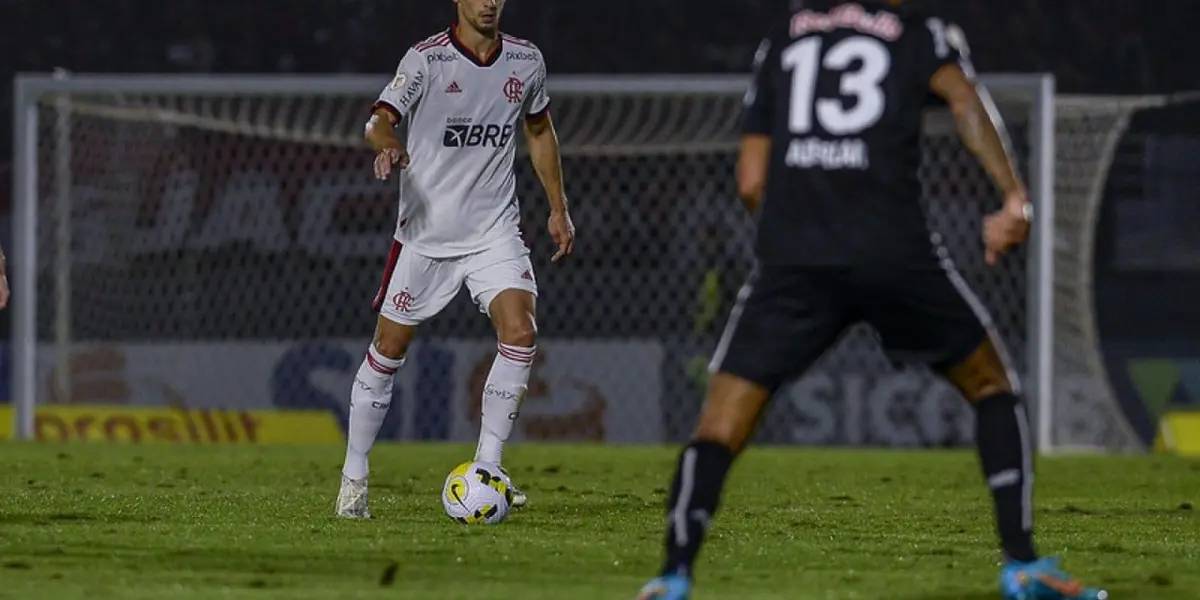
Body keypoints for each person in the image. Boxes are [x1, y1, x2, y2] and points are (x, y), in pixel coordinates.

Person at [637, 1, 1105, 599]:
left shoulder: (783, 38)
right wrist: (1013, 195)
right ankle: (1022, 565)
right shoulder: (918, 35)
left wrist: (798, 240)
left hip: (795, 260)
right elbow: (965, 102)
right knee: (992, 386)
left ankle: (673, 576)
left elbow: (751, 178)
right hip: (893, 252)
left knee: (721, 424)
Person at [336, 0, 575, 519]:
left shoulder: (526, 61)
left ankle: (489, 467)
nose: (489, 2)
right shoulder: (426, 60)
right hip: (426, 237)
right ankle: (354, 475)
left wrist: (558, 208)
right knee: (387, 350)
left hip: (494, 232)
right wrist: (390, 145)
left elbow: (538, 132)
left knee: (521, 332)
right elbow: (376, 123)